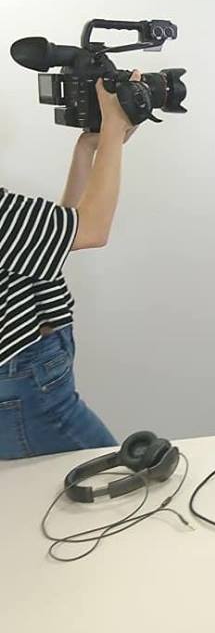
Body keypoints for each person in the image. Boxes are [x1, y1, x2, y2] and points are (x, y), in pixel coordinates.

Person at [0, 75, 140, 459]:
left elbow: (56, 234)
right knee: (116, 474)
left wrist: (87, 149)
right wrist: (113, 129)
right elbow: (93, 229)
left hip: (22, 380)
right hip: (26, 388)